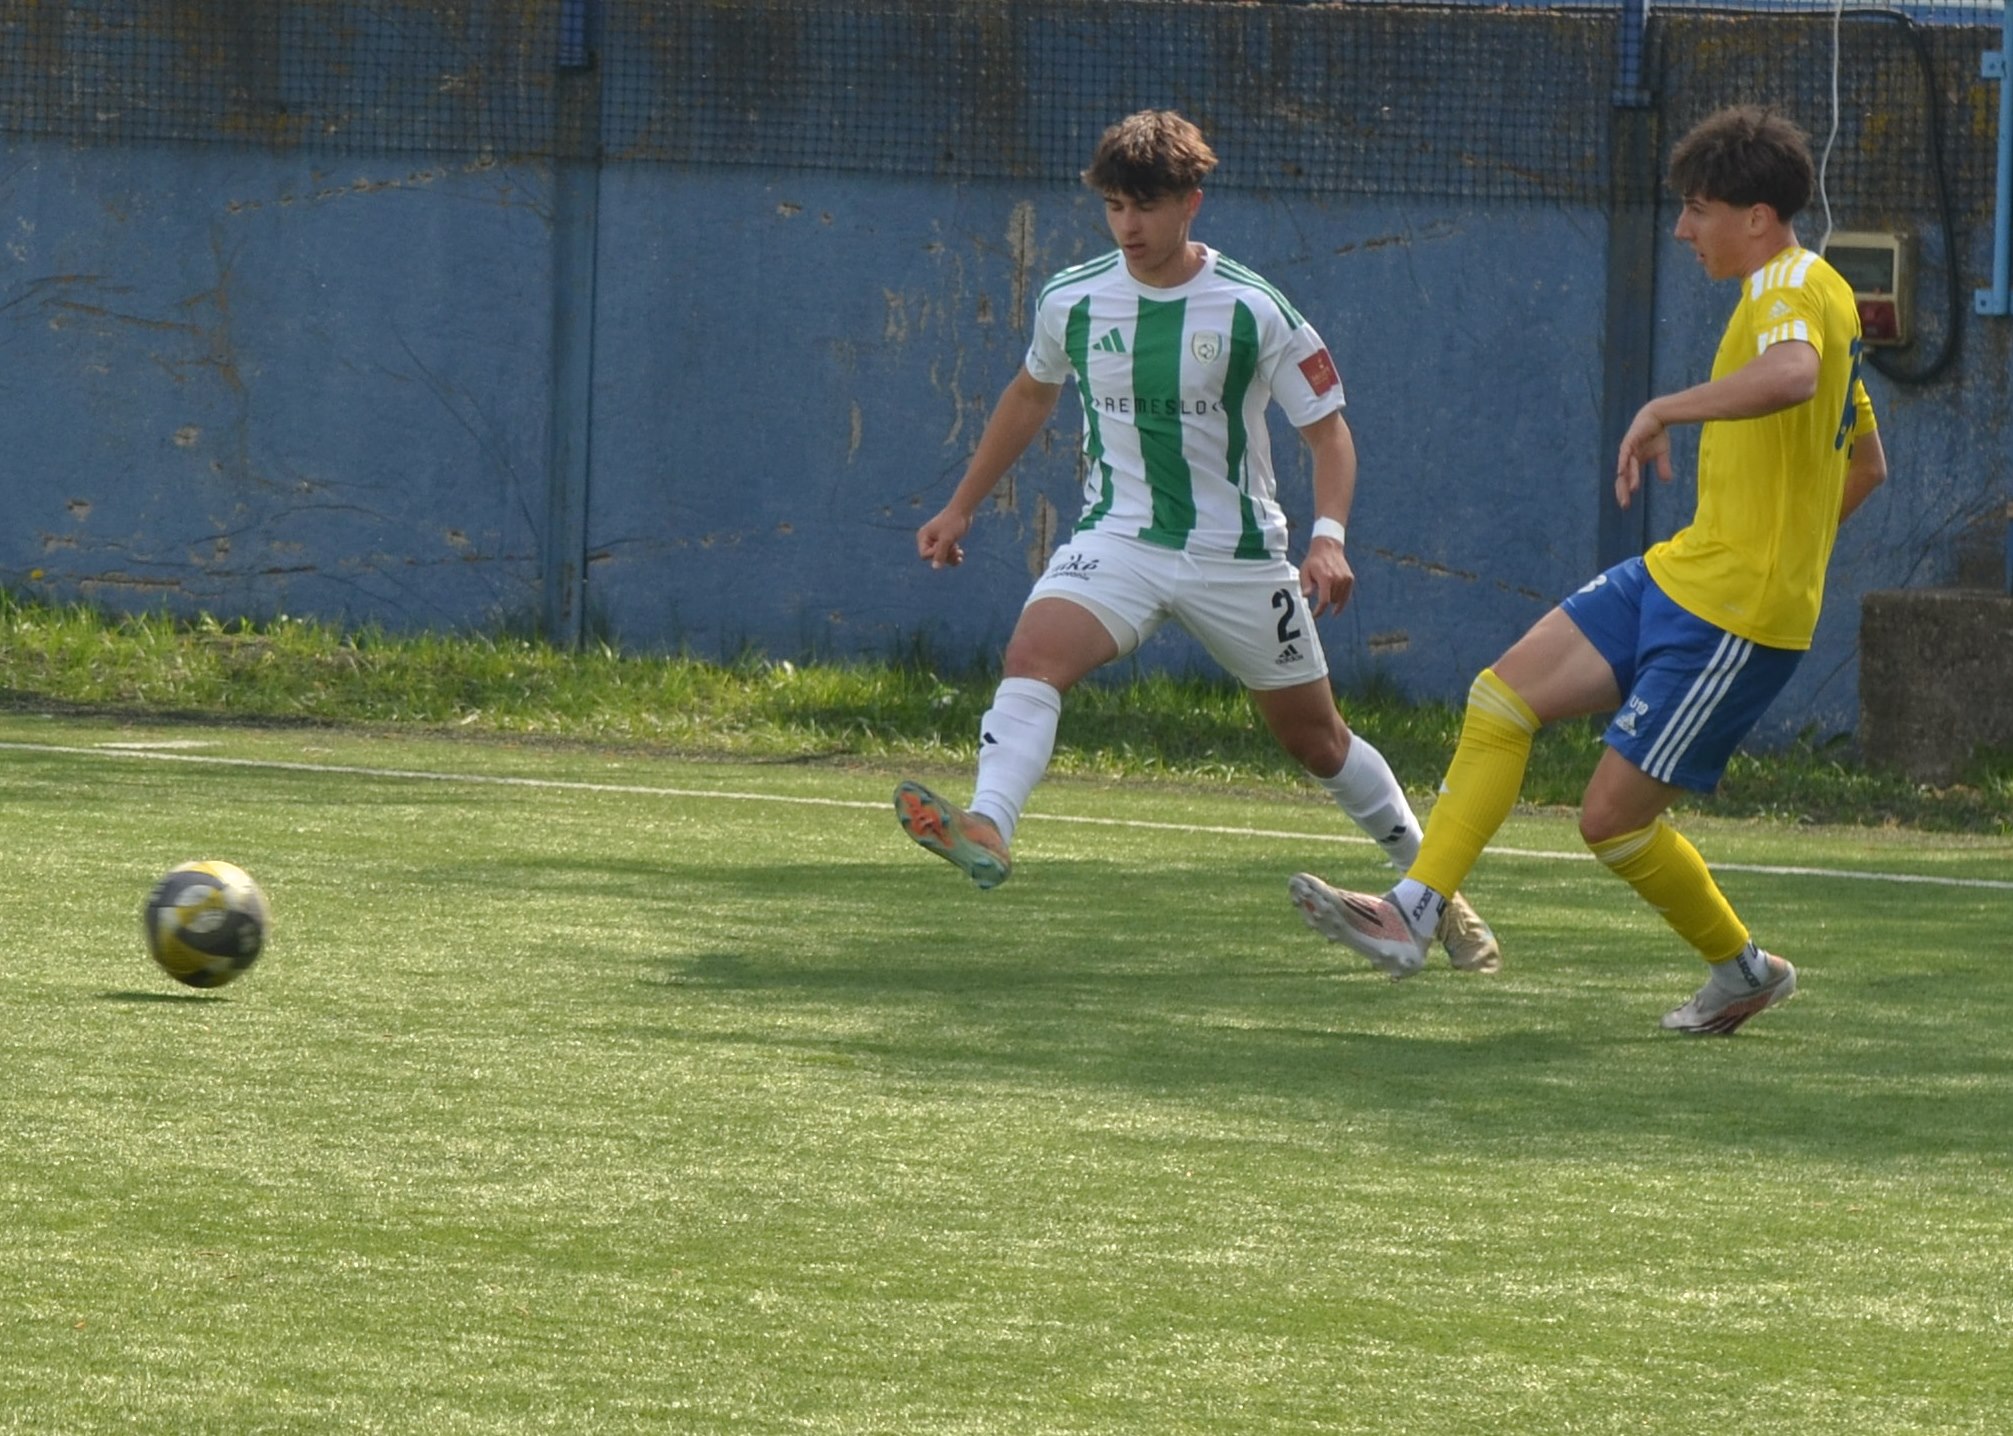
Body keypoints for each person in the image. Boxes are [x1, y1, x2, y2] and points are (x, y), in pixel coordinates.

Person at [1286, 105, 1887, 1031]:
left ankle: (1744, 972)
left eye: (1697, 210)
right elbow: (1866, 464)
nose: (1681, 230)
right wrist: (1783, 535)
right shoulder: (1814, 293)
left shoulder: (1788, 286)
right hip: (1681, 574)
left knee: (1609, 821)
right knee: (1500, 698)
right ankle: (1413, 911)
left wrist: (1664, 411)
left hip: (1734, 613)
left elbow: (1793, 378)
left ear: (1757, 217)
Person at [892, 109, 1500, 973]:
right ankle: (988, 825)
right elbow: (1029, 396)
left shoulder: (1254, 308)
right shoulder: (1071, 298)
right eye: (1114, 206)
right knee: (1033, 656)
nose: (1127, 225)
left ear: (1190, 203)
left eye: (1145, 205)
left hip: (1237, 557)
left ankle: (1435, 892)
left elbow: (1328, 432)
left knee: (1317, 741)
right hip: (1119, 540)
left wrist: (1327, 540)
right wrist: (960, 506)